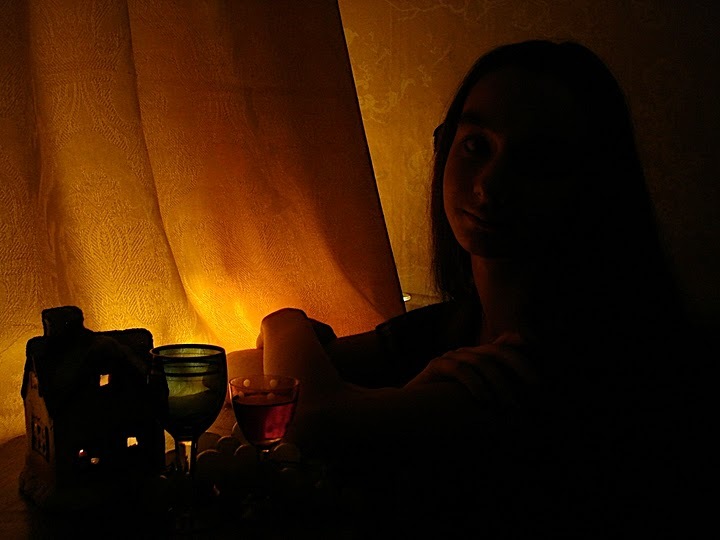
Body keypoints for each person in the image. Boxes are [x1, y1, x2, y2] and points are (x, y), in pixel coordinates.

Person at [256, 40, 690, 538]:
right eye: (476, 146)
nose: (490, 184)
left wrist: (283, 321)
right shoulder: (453, 325)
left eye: (538, 160)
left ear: (592, 184)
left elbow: (306, 417)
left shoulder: (563, 359)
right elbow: (243, 373)